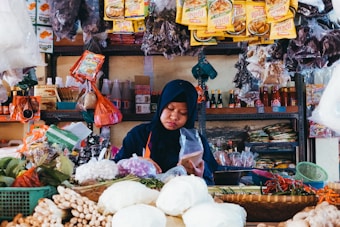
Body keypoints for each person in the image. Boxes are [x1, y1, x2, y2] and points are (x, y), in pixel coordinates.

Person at [114, 79, 219, 185]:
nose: (174, 117)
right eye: (170, 108)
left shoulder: (196, 143)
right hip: (143, 197)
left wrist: (200, 176)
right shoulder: (139, 135)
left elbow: (211, 179)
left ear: (190, 116)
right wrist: (135, 161)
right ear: (161, 106)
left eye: (183, 113)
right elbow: (115, 169)